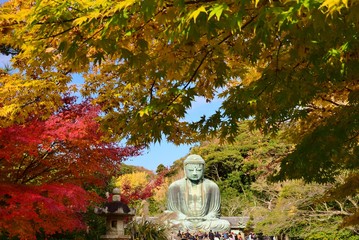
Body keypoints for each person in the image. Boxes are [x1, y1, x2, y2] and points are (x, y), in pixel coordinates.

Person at [166, 155, 231, 232]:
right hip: (185, 222)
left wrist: (209, 216)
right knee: (167, 224)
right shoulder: (175, 186)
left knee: (225, 224)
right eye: (190, 170)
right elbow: (172, 211)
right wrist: (182, 216)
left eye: (199, 170)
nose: (195, 173)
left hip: (205, 222)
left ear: (203, 170)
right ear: (185, 170)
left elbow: (215, 211)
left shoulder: (212, 186)